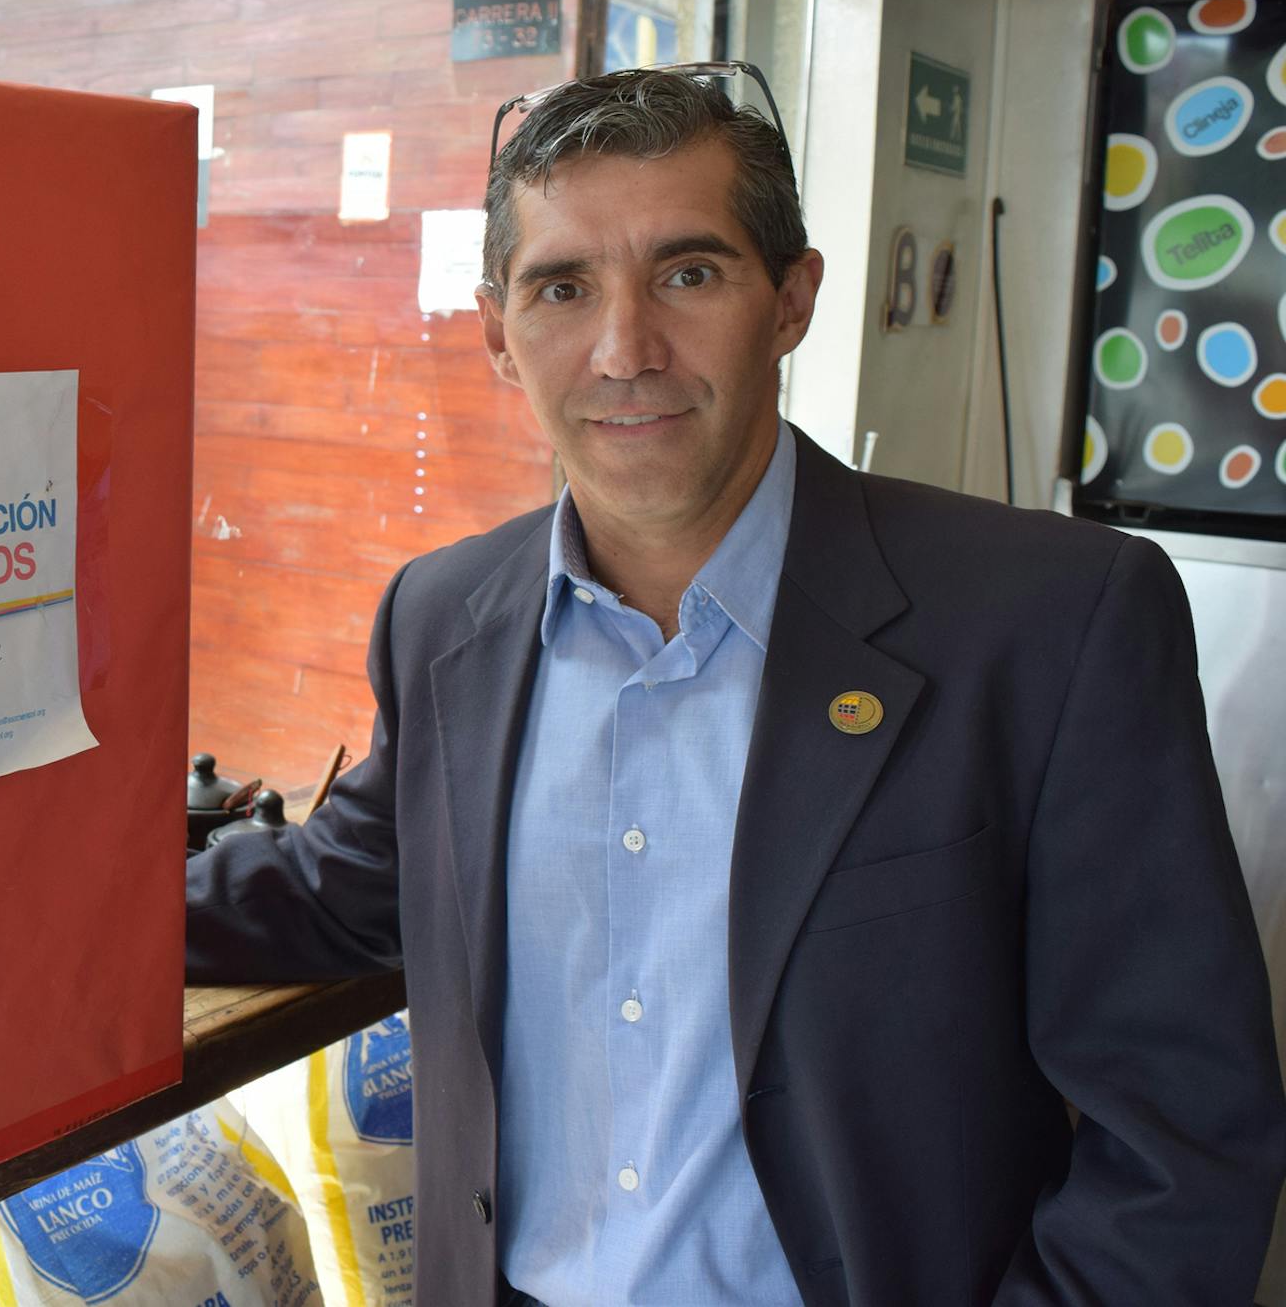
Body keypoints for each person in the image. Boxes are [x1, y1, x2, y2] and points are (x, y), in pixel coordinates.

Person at [184, 68, 1286, 1306]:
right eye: (562, 287)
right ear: (498, 330)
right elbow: (351, 884)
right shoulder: (447, 620)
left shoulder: (1050, 624)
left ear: (792, 299)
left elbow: (1185, 1138)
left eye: (689, 273)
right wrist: (12, 916)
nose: (624, 350)